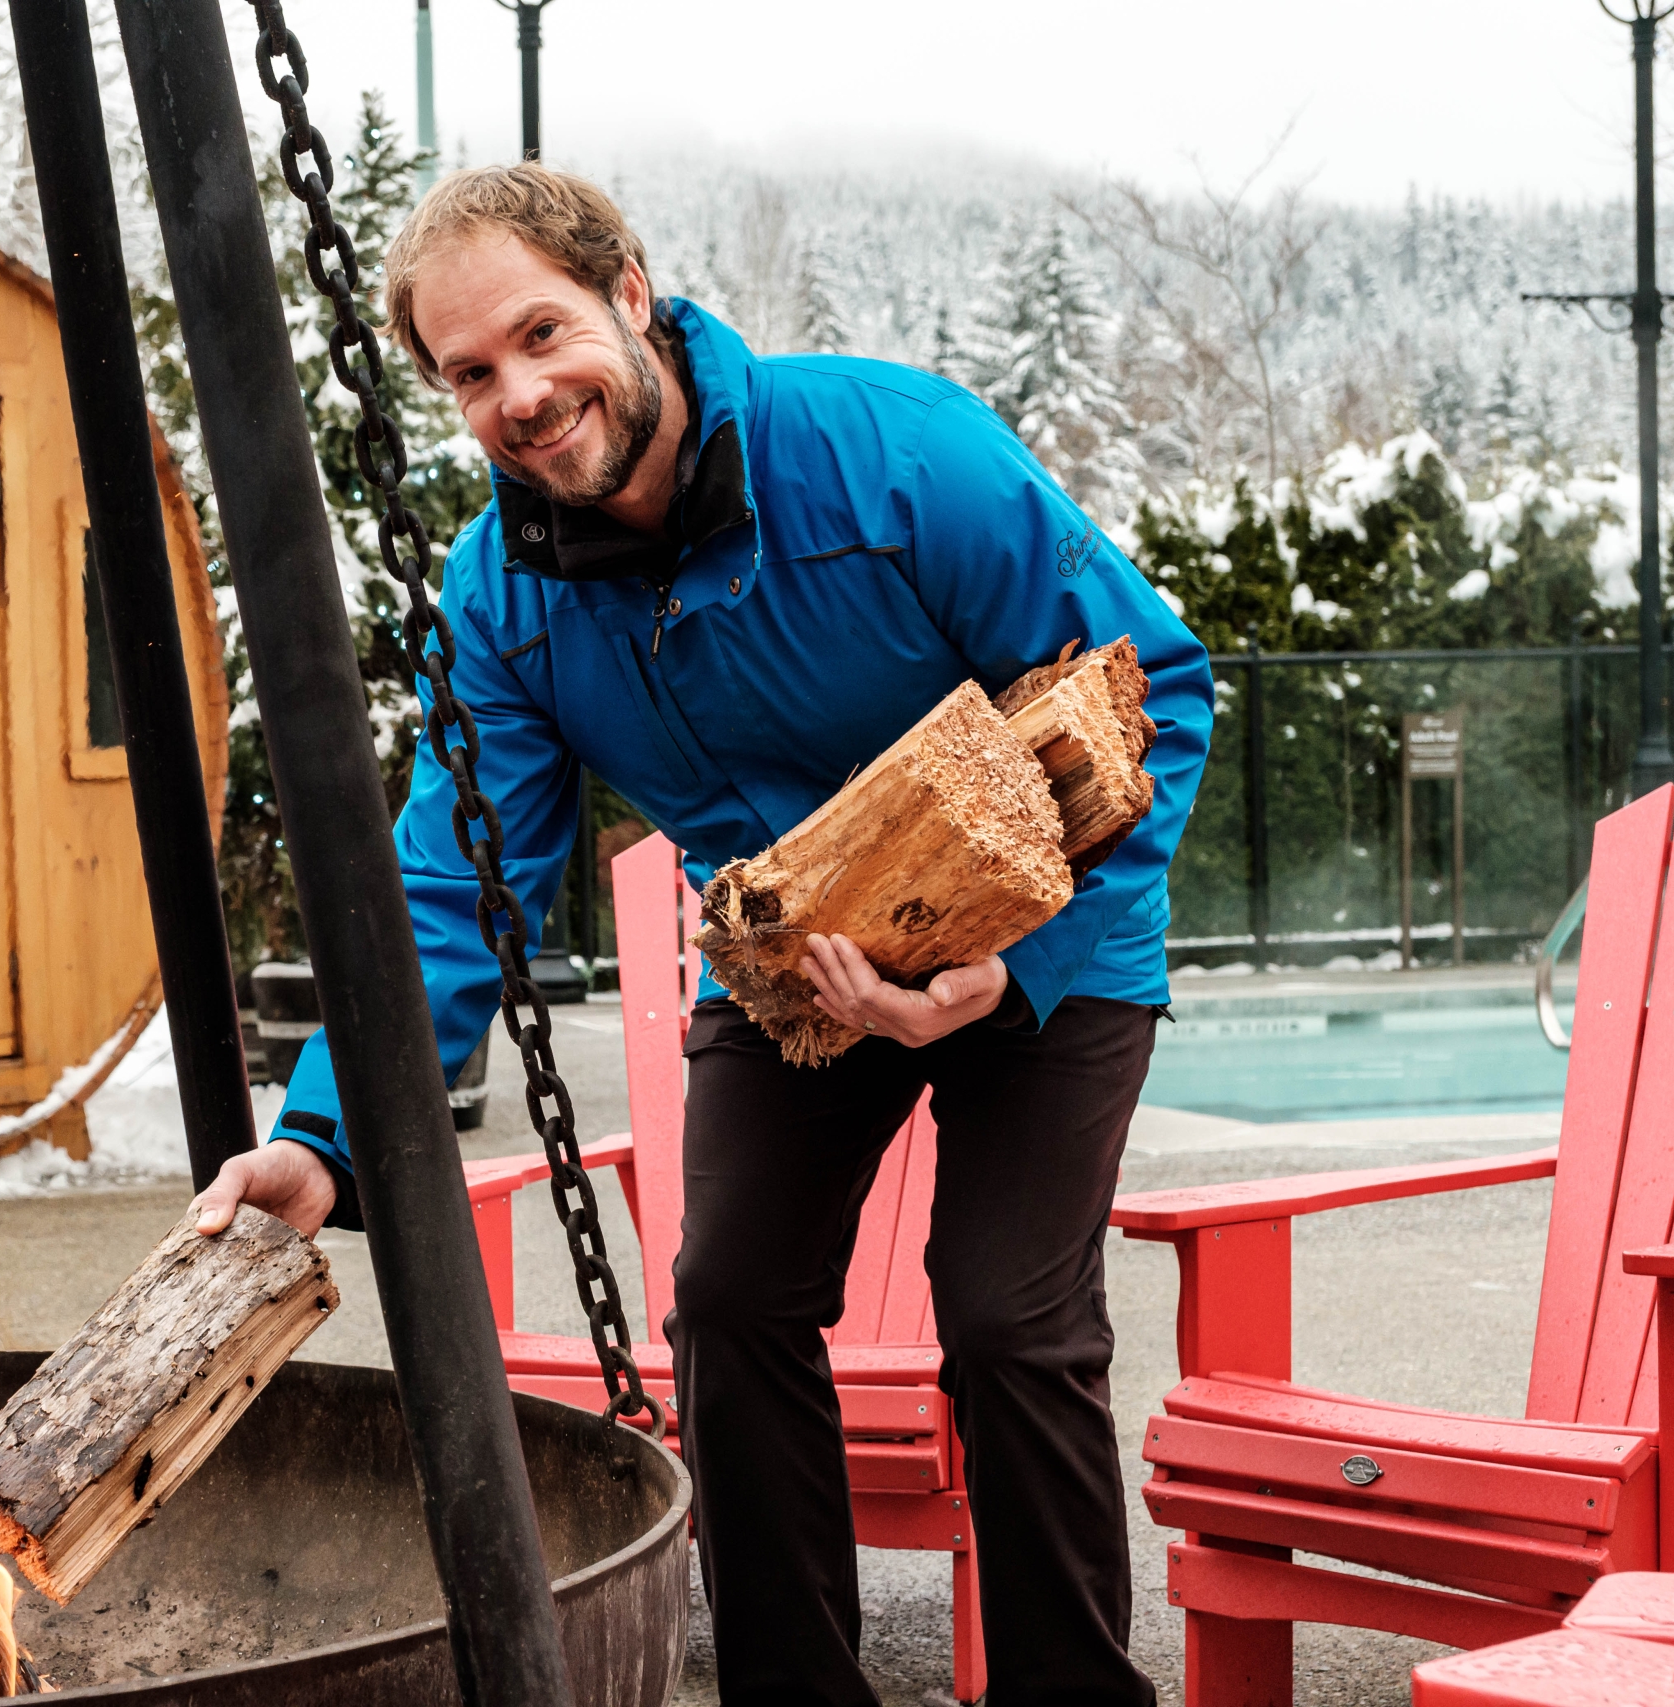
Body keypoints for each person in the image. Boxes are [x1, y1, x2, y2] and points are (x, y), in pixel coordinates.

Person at [192, 163, 1212, 1707]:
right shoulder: (500, 598)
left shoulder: (892, 457)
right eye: (472, 374)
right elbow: (456, 889)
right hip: (794, 956)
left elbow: (1160, 692)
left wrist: (1025, 958)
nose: (523, 396)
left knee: (1009, 1310)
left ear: (630, 292)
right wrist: (324, 1136)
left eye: (543, 334)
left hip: (1041, 931)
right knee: (729, 1299)